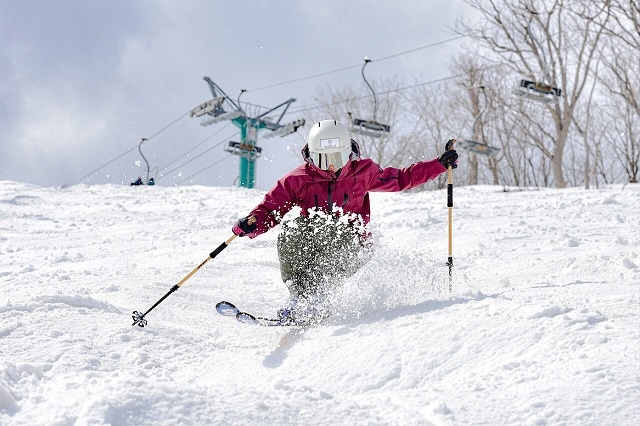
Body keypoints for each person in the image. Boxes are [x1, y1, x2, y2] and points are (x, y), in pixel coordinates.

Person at [232, 119, 458, 324]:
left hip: (353, 244)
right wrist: (252, 223)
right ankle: (300, 297)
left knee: (335, 233)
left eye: (337, 158)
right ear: (312, 155)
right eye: (323, 159)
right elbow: (270, 210)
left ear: (348, 152)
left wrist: (438, 164)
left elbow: (401, 179)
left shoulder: (363, 172)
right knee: (293, 230)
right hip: (316, 247)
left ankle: (319, 297)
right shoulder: (298, 180)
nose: (331, 165)